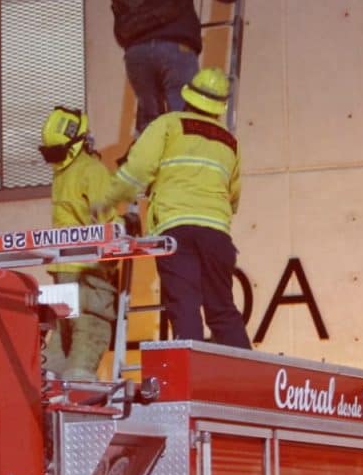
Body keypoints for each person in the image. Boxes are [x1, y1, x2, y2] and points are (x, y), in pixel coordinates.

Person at [91, 68, 250, 349]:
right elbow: (233, 197)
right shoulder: (229, 141)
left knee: (185, 304)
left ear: (187, 96)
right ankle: (247, 379)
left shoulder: (168, 124)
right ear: (219, 107)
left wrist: (106, 201)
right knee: (223, 309)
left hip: (176, 229)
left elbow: (137, 170)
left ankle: (191, 375)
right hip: (217, 235)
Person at [117, 0, 238, 134]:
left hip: (135, 55)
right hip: (175, 51)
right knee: (183, 121)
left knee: (150, 126)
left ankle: (146, 160)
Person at [39, 107, 119, 380]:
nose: (54, 160)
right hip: (87, 275)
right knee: (88, 338)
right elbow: (108, 222)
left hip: (67, 275)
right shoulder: (90, 170)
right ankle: (74, 400)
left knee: (62, 348)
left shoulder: (67, 175)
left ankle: (50, 387)